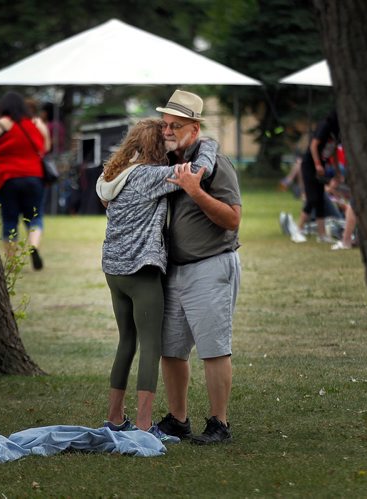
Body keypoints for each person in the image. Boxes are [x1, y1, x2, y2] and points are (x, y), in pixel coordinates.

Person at [96, 118, 217, 444]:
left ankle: (114, 417)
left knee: (126, 343)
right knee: (151, 346)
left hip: (113, 270)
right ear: (154, 147)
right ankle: (145, 426)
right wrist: (209, 145)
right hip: (142, 271)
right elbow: (196, 173)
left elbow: (105, 199)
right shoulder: (149, 176)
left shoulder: (112, 174)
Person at [153, 90, 242, 445]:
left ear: (194, 127)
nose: (168, 130)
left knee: (213, 347)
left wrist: (196, 191)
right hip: (173, 269)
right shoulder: (167, 162)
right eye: (165, 124)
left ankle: (219, 424)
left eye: (176, 125)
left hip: (211, 265)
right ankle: (178, 419)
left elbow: (232, 219)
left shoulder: (216, 162)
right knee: (171, 349)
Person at [0, 91, 50, 270]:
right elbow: (46, 147)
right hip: (34, 176)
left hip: (6, 178)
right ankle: (33, 245)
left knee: (9, 219)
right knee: (35, 216)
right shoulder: (36, 123)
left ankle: (11, 261)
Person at [292, 110, 341, 243]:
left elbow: (334, 151)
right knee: (312, 198)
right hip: (309, 165)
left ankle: (322, 234)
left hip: (321, 167)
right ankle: (298, 231)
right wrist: (318, 164)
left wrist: (337, 170)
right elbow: (314, 145)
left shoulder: (338, 131)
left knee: (320, 199)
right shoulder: (325, 126)